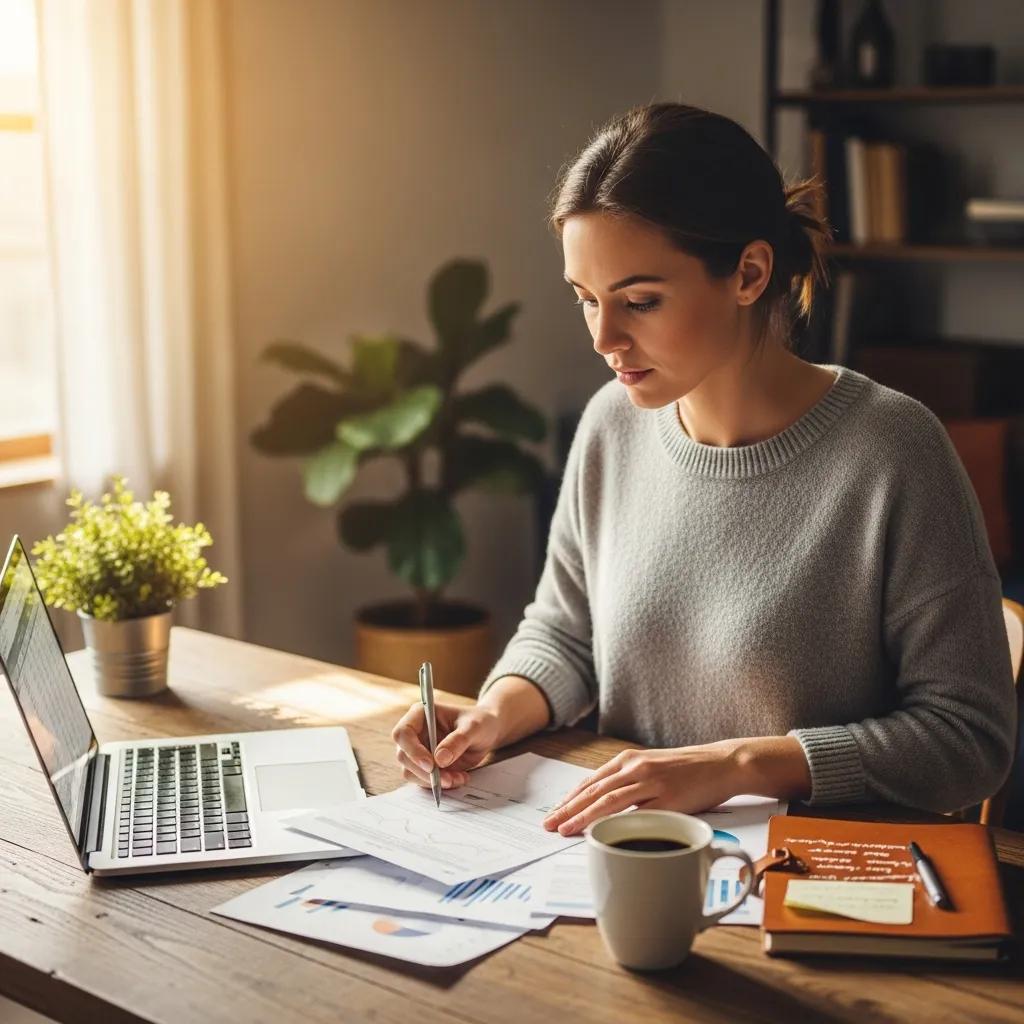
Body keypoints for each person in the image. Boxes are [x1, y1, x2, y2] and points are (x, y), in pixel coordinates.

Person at [391, 102, 1016, 836]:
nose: (604, 337)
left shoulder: (892, 450)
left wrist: (738, 766)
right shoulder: (610, 426)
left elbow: (969, 741)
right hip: (621, 857)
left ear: (749, 273)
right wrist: (493, 714)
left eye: (640, 301)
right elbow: (563, 634)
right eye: (586, 299)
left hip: (806, 879)